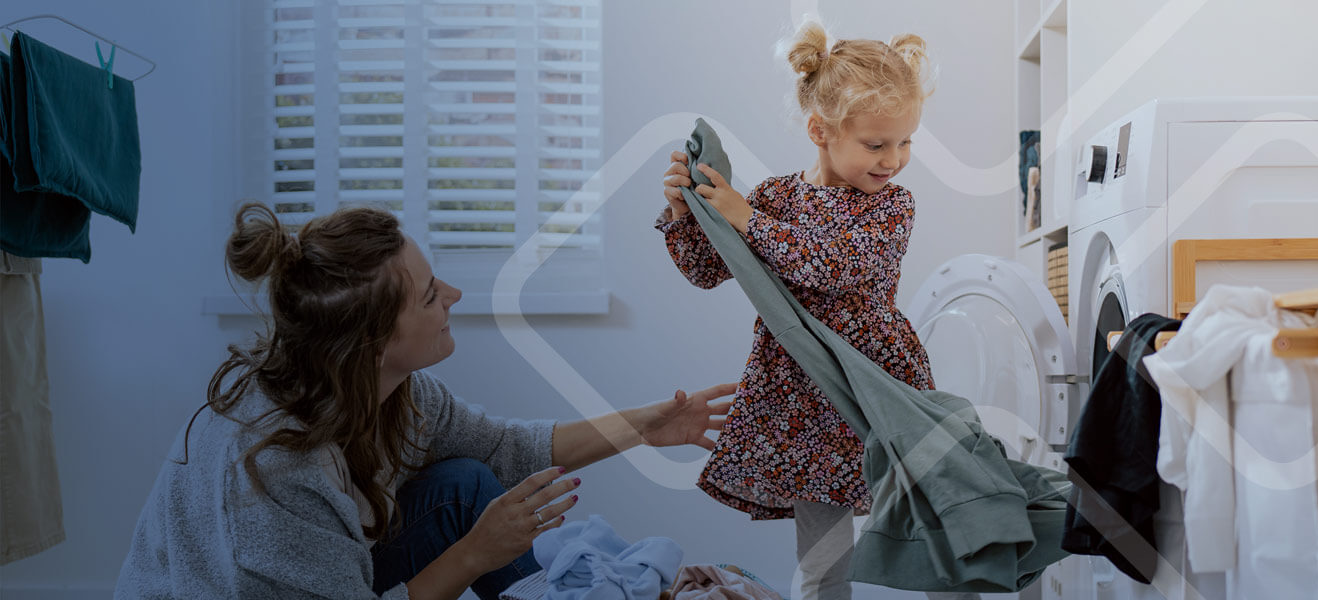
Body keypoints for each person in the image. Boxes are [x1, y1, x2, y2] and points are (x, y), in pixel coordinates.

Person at [116, 203, 737, 600]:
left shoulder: (392, 392)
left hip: (331, 576)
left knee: (466, 483)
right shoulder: (275, 471)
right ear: (371, 341)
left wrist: (646, 427)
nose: (456, 296)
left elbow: (508, 447)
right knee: (476, 509)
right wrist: (473, 554)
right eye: (431, 295)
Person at [656, 20, 938, 600]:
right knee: (823, 558)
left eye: (905, 141)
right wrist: (687, 214)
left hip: (875, 387)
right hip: (803, 398)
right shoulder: (774, 197)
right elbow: (709, 271)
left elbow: (838, 269)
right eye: (877, 144)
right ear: (821, 130)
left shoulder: (891, 207)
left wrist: (748, 220)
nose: (895, 160)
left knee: (935, 525)